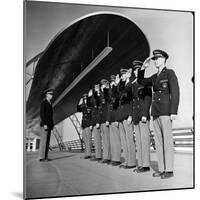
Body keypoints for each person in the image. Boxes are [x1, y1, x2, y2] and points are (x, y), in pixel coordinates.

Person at [138, 49, 180, 179]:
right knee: (159, 142)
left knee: (167, 141)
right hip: (155, 112)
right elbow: (142, 82)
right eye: (154, 59)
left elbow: (175, 92)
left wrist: (173, 111)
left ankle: (169, 170)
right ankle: (162, 169)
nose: (155, 61)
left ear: (163, 59)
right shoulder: (155, 77)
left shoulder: (169, 73)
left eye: (157, 59)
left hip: (166, 112)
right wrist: (142, 69)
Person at [131, 60, 152, 173]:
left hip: (143, 116)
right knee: (138, 142)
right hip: (136, 116)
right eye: (134, 70)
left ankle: (146, 165)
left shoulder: (145, 83)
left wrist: (145, 113)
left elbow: (148, 99)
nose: (135, 71)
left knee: (144, 141)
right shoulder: (133, 85)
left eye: (137, 69)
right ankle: (140, 164)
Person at [117, 68, 137, 169]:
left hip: (127, 115)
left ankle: (132, 162)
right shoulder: (123, 86)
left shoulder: (131, 84)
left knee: (129, 140)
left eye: (123, 75)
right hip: (121, 116)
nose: (122, 76)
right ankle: (127, 160)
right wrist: (120, 82)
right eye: (121, 75)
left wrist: (131, 115)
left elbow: (132, 100)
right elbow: (117, 95)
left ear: (127, 74)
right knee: (124, 141)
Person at [107, 74, 122, 166]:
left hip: (116, 118)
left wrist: (117, 119)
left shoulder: (118, 89)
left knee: (116, 139)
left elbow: (119, 106)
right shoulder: (110, 92)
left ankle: (117, 159)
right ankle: (114, 158)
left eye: (113, 81)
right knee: (112, 140)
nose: (112, 83)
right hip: (111, 118)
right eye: (111, 82)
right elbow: (109, 107)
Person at [39, 88, 54, 162]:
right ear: (47, 95)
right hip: (45, 125)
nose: (52, 95)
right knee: (44, 141)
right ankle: (42, 157)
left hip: (49, 125)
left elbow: (50, 116)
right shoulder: (44, 103)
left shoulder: (50, 104)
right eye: (50, 94)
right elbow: (42, 114)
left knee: (47, 142)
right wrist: (45, 123)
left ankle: (45, 157)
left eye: (52, 94)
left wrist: (52, 124)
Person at [99, 79, 111, 164]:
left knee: (107, 139)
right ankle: (106, 156)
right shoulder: (102, 95)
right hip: (102, 119)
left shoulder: (108, 93)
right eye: (101, 85)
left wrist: (107, 119)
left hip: (107, 118)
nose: (102, 86)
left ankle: (108, 157)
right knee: (104, 139)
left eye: (104, 84)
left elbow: (108, 108)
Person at [77, 93, 92, 159]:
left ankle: (88, 154)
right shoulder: (83, 106)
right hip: (83, 124)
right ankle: (86, 153)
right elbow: (78, 110)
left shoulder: (90, 105)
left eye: (86, 97)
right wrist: (78, 104)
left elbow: (92, 115)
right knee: (85, 140)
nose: (85, 98)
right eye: (84, 97)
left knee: (88, 140)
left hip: (88, 124)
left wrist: (91, 124)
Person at [90, 84, 102, 162]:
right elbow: (92, 109)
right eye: (95, 87)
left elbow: (99, 110)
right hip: (94, 121)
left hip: (99, 120)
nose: (96, 88)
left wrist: (98, 121)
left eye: (97, 87)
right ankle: (98, 155)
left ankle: (101, 156)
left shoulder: (100, 95)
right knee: (96, 140)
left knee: (100, 140)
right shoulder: (94, 97)